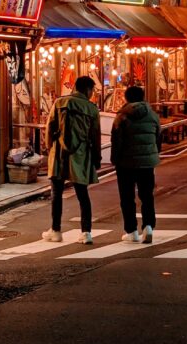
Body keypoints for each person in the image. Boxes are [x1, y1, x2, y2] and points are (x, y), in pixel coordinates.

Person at [43, 75, 102, 245]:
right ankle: (86, 233)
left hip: (59, 153)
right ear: (88, 90)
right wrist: (96, 158)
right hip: (81, 154)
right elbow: (95, 135)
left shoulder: (60, 103)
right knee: (83, 195)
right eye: (93, 90)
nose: (92, 94)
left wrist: (50, 149)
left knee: (56, 194)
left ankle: (55, 230)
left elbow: (50, 128)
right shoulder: (91, 109)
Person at [110, 85, 162, 243]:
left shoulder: (122, 117)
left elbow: (116, 141)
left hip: (126, 163)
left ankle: (131, 231)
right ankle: (148, 227)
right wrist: (153, 153)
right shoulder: (152, 115)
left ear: (126, 98)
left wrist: (115, 159)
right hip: (147, 162)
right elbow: (158, 138)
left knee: (127, 197)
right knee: (147, 196)